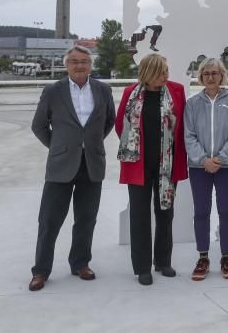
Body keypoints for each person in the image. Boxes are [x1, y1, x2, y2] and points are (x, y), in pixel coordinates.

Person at [29, 45, 115, 291]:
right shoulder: (53, 91)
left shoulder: (103, 89)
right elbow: (39, 126)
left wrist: (91, 143)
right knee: (49, 220)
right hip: (61, 165)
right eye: (75, 61)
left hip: (92, 164)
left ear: (91, 65)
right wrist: (58, 147)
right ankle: (41, 271)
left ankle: (80, 263)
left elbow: (108, 120)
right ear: (67, 65)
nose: (79, 65)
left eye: (84, 61)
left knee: (86, 218)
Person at [115, 53, 188, 285]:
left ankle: (163, 261)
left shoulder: (176, 90)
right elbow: (121, 125)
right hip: (138, 165)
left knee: (165, 213)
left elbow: (183, 125)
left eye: (167, 70)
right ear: (148, 73)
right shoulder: (131, 93)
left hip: (167, 165)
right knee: (139, 216)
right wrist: (135, 149)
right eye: (161, 72)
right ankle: (142, 267)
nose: (166, 75)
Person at [183, 58, 228, 281]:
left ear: (222, 76)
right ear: (200, 77)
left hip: (227, 166)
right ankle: (203, 256)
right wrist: (203, 159)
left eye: (215, 73)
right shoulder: (192, 103)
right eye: (206, 73)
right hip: (199, 167)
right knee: (201, 211)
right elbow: (188, 135)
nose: (210, 77)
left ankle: (226, 256)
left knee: (226, 211)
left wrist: (220, 158)